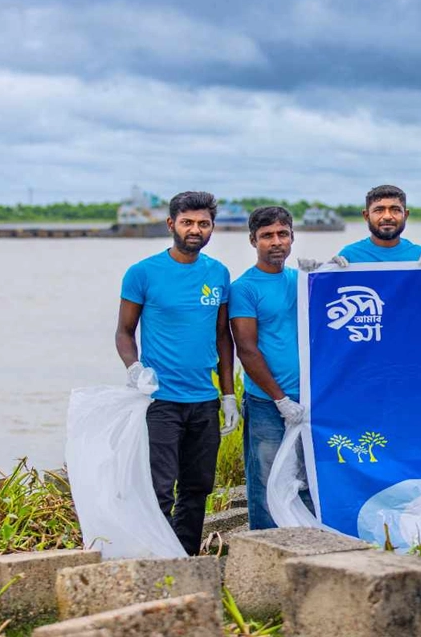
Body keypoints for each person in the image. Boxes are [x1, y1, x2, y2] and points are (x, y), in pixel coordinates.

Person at [116, 191, 234, 555]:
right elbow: (124, 331)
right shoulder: (143, 273)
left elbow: (222, 337)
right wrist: (134, 368)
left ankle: (184, 556)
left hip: (204, 401)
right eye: (187, 222)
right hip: (161, 401)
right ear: (172, 224)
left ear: (212, 227)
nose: (195, 229)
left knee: (197, 488)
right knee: (159, 488)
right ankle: (154, 557)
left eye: (203, 223)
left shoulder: (218, 274)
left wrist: (228, 394)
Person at [229, 206, 310, 530]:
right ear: (253, 240)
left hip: (308, 399)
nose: (276, 242)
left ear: (292, 237)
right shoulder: (245, 288)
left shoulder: (303, 280)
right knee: (266, 478)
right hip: (267, 403)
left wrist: (332, 275)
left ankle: (309, 543)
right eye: (267, 236)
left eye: (282, 234)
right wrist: (279, 399)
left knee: (307, 477)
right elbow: (246, 350)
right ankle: (264, 549)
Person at [335, 185, 421, 263]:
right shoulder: (349, 256)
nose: (387, 216)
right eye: (379, 210)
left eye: (395, 210)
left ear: (405, 215)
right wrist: (327, 271)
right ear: (366, 216)